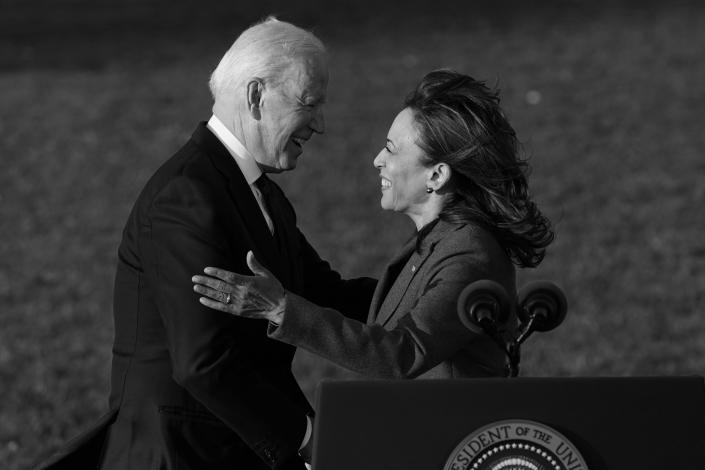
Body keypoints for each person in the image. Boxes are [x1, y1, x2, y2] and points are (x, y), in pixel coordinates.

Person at [37, 17, 376, 470]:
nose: (321, 124)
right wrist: (307, 438)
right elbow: (204, 361)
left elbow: (325, 293)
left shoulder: (259, 193)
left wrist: (431, 292)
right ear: (256, 96)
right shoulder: (187, 197)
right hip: (179, 454)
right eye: (309, 102)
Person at [192, 70, 555, 380]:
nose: (377, 160)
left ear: (437, 175)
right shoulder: (443, 239)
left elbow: (403, 353)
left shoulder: (469, 252)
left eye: (392, 149)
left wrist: (280, 308)